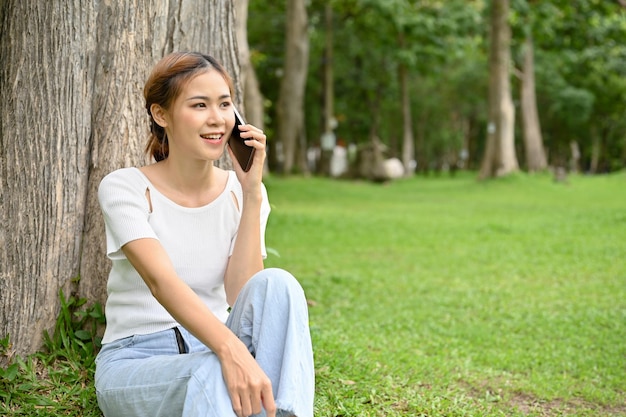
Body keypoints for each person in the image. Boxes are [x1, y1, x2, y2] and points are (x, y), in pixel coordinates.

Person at [94, 52, 314, 417]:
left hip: (214, 347)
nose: (217, 119)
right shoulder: (125, 188)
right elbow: (160, 281)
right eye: (199, 105)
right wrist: (231, 352)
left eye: (225, 104)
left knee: (279, 283)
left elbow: (240, 291)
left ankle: (285, 412)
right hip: (137, 361)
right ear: (160, 114)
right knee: (211, 370)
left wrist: (251, 193)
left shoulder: (240, 192)